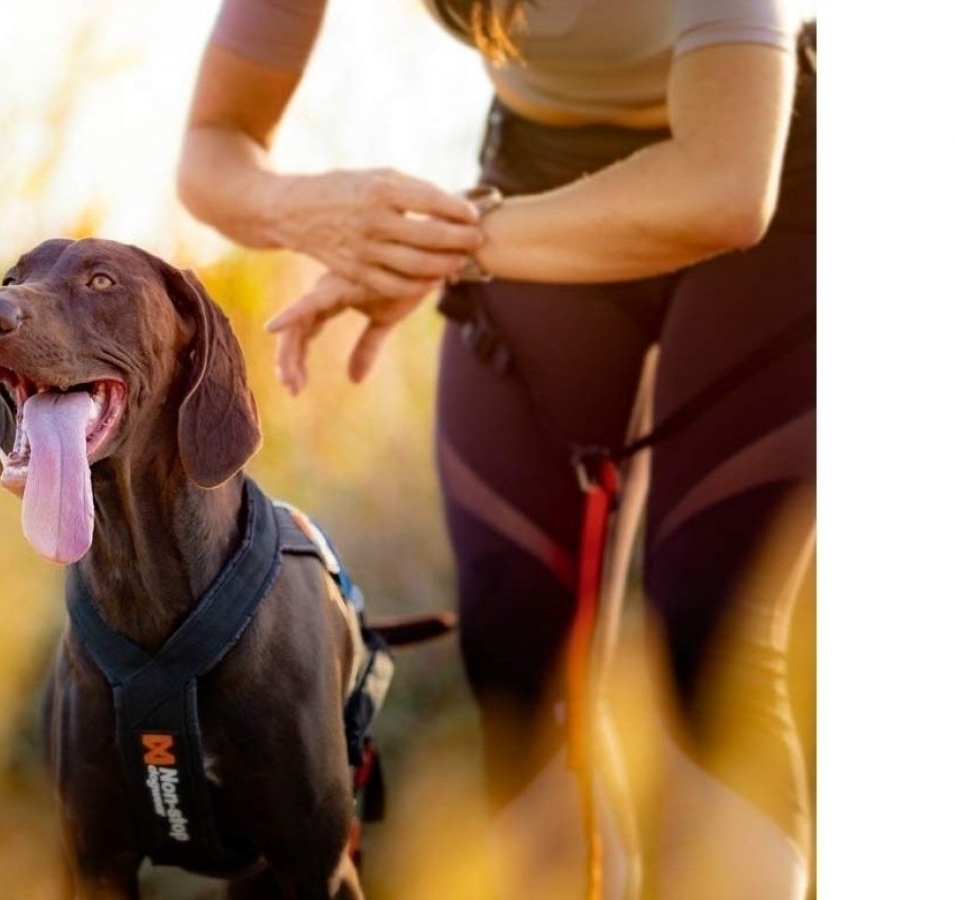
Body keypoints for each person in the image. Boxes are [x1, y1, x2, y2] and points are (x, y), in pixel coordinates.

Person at [178, 2, 815, 898]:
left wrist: (436, 248)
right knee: (520, 651)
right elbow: (213, 144)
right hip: (541, 167)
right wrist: (318, 213)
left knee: (707, 640)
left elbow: (725, 186)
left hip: (783, 166)